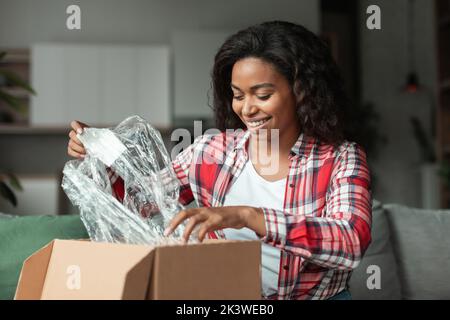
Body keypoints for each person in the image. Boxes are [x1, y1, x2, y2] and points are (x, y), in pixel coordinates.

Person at [67, 21, 372, 300]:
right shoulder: (212, 151)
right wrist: (100, 158)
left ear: (302, 91)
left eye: (262, 95)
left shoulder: (341, 159)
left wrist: (248, 216)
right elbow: (140, 204)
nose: (247, 109)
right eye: (238, 95)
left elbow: (350, 241)